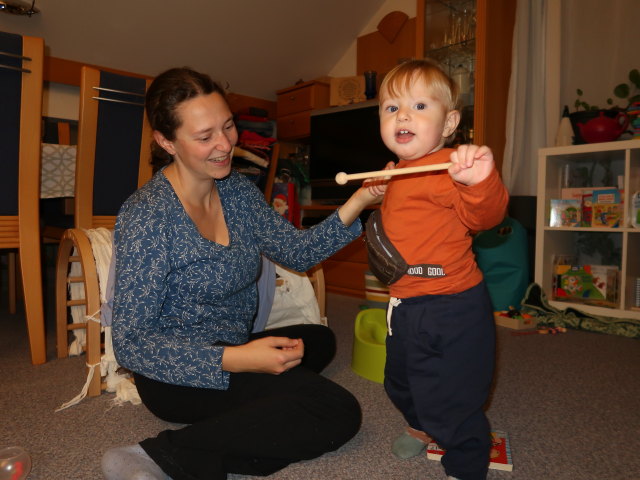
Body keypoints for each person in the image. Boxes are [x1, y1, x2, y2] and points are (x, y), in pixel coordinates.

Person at [101, 67, 382, 480]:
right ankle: (161, 456)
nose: (224, 145)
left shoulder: (236, 190)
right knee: (336, 410)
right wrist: (239, 360)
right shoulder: (146, 216)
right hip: (178, 373)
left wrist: (362, 199)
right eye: (204, 136)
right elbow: (131, 345)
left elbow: (298, 252)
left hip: (233, 342)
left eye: (228, 126)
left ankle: (253, 417)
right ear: (166, 141)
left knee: (318, 341)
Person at [371, 59, 509, 480]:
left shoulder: (451, 167)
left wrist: (479, 180)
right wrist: (376, 189)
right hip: (406, 304)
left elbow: (485, 217)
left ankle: (467, 464)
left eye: (418, 106)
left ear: (449, 123)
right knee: (399, 378)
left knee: (453, 391)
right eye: (391, 108)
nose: (404, 116)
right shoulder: (398, 171)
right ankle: (419, 424)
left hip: (452, 305)